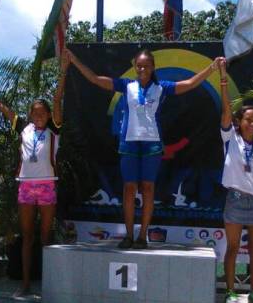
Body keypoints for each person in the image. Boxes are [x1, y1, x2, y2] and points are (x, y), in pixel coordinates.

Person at [64, 47, 223, 249]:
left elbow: (189, 83)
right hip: (129, 143)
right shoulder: (126, 85)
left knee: (148, 189)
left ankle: (142, 236)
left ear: (153, 67)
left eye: (146, 66)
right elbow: (95, 79)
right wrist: (74, 61)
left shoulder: (162, 87)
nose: (142, 69)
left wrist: (212, 68)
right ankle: (129, 235)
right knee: (129, 189)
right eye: (139, 65)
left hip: (152, 144)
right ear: (134, 66)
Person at [0, 55, 69, 295]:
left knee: (45, 237)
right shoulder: (23, 127)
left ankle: (47, 284)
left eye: (42, 114)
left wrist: (63, 72)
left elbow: (57, 99)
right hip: (26, 186)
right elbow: (2, 108)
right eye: (35, 114)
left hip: (47, 186)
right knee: (26, 238)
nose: (38, 117)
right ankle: (25, 284)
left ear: (48, 115)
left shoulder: (55, 129)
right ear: (30, 115)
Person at [218, 58, 253, 303]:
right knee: (232, 248)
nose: (251, 123)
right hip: (236, 199)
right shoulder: (230, 138)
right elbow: (226, 110)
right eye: (248, 119)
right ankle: (230, 291)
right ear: (240, 121)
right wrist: (223, 80)